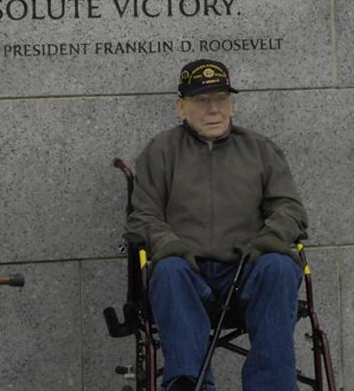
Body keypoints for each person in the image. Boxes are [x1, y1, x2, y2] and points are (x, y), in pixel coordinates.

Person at [126, 59, 308, 391]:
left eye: (221, 99)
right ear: (181, 107)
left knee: (280, 267)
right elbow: (143, 216)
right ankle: (187, 384)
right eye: (202, 101)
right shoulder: (161, 151)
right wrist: (169, 245)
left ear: (231, 104)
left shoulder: (260, 150)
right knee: (167, 271)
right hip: (189, 278)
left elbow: (290, 208)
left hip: (246, 276)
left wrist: (270, 238)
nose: (214, 109)